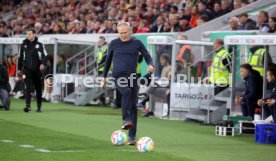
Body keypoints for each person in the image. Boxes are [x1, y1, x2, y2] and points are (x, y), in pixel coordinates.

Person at [101, 22, 154, 145]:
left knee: (133, 106)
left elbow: (147, 55)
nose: (123, 35)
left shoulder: (137, 43)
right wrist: (103, 77)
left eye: (125, 32)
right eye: (120, 33)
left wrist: (151, 64)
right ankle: (125, 119)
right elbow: (108, 61)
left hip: (132, 76)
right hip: (118, 75)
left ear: (130, 31)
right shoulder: (114, 43)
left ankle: (132, 137)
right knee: (126, 92)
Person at [18, 28, 48, 112]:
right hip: (27, 70)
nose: (28, 36)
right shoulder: (23, 45)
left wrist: (43, 64)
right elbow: (20, 57)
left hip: (37, 70)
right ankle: (28, 106)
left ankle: (39, 106)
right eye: (27, 34)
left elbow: (45, 56)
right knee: (28, 87)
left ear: (34, 34)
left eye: (30, 34)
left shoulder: (40, 45)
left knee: (38, 88)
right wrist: (19, 69)